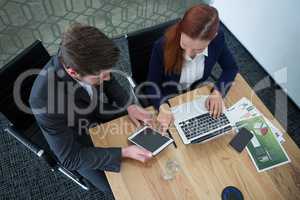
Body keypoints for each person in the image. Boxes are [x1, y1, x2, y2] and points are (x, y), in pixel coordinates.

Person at [29, 23, 153, 193]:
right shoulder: (43, 101)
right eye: (100, 77)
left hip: (96, 111)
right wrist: (122, 153)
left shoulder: (91, 61)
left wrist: (129, 105)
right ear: (73, 72)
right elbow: (70, 159)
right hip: (77, 141)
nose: (109, 78)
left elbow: (109, 80)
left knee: (149, 137)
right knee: (124, 189)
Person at [146, 4, 239, 132]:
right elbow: (151, 85)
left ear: (212, 38)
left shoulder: (218, 39)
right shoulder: (161, 46)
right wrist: (162, 106)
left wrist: (218, 92)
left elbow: (231, 68)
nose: (189, 54)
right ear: (181, 30)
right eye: (184, 44)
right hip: (168, 100)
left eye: (198, 49)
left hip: (196, 95)